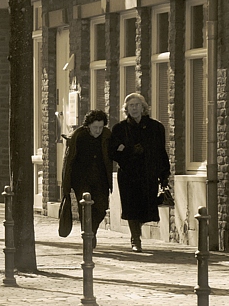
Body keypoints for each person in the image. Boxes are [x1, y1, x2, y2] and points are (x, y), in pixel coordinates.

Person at [109, 92, 170, 252]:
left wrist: (164, 174)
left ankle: (137, 231)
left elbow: (161, 151)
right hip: (128, 175)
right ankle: (135, 238)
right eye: (131, 105)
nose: (134, 108)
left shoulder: (156, 127)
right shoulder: (120, 128)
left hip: (148, 174)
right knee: (131, 207)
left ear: (143, 107)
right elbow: (114, 152)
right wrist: (129, 151)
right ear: (126, 109)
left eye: (137, 105)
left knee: (146, 208)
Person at [60, 110, 113, 248]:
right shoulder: (78, 136)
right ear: (88, 126)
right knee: (85, 208)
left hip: (101, 178)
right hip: (81, 179)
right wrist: (67, 183)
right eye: (95, 127)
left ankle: (92, 231)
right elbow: (68, 161)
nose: (98, 131)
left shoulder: (107, 135)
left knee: (101, 208)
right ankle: (88, 235)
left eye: (101, 127)